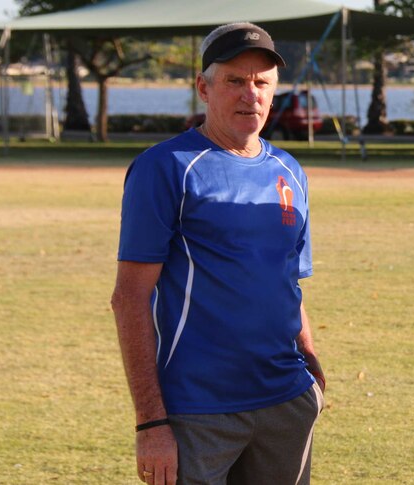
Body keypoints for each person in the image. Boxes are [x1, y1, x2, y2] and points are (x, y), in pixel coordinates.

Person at [111, 22, 324, 485]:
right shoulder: (165, 168)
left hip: (285, 403)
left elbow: (288, 277)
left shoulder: (288, 169)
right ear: (203, 88)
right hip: (198, 411)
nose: (251, 94)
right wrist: (151, 423)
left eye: (262, 82)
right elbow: (129, 298)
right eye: (235, 80)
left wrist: (309, 357)